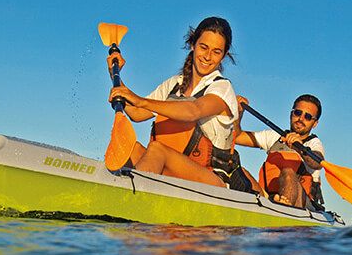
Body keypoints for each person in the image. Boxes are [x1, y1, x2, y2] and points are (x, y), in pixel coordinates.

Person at [107, 16, 254, 191]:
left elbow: (193, 110)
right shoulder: (174, 85)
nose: (208, 57)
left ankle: (128, 196)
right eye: (203, 47)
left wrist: (140, 100)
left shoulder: (222, 87)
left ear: (223, 55)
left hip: (212, 183)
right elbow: (137, 113)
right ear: (193, 45)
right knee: (132, 150)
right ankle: (114, 190)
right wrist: (115, 77)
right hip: (174, 174)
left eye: (216, 52)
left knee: (156, 150)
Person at [233, 94, 326, 210]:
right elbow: (237, 137)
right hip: (268, 197)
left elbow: (317, 163)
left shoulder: (314, 143)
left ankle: (284, 208)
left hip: (301, 203)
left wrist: (299, 148)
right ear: (291, 114)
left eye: (308, 116)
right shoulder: (274, 136)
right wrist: (238, 113)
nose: (301, 119)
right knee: (240, 171)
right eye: (298, 113)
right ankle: (276, 204)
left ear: (315, 123)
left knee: (288, 172)